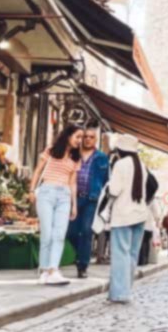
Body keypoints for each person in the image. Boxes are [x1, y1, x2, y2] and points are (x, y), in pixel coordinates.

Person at [29, 124, 82, 286]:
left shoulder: (75, 158)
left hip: (64, 196)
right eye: (77, 137)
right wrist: (31, 190)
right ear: (68, 135)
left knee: (59, 234)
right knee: (47, 233)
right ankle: (44, 270)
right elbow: (38, 170)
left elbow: (73, 183)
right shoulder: (51, 151)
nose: (80, 141)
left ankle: (53, 269)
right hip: (46, 192)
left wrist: (74, 205)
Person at [107, 137, 155, 304]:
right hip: (140, 214)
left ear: (120, 150)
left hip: (123, 215)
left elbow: (114, 190)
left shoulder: (120, 165)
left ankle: (119, 293)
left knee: (120, 254)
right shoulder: (141, 165)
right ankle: (126, 289)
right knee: (132, 255)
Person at [66, 122, 108, 279]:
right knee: (70, 232)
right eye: (85, 137)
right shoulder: (73, 154)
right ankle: (81, 253)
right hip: (73, 198)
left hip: (91, 199)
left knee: (86, 231)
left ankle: (82, 265)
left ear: (95, 140)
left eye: (91, 137)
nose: (88, 139)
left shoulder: (102, 157)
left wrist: (102, 200)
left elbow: (106, 181)